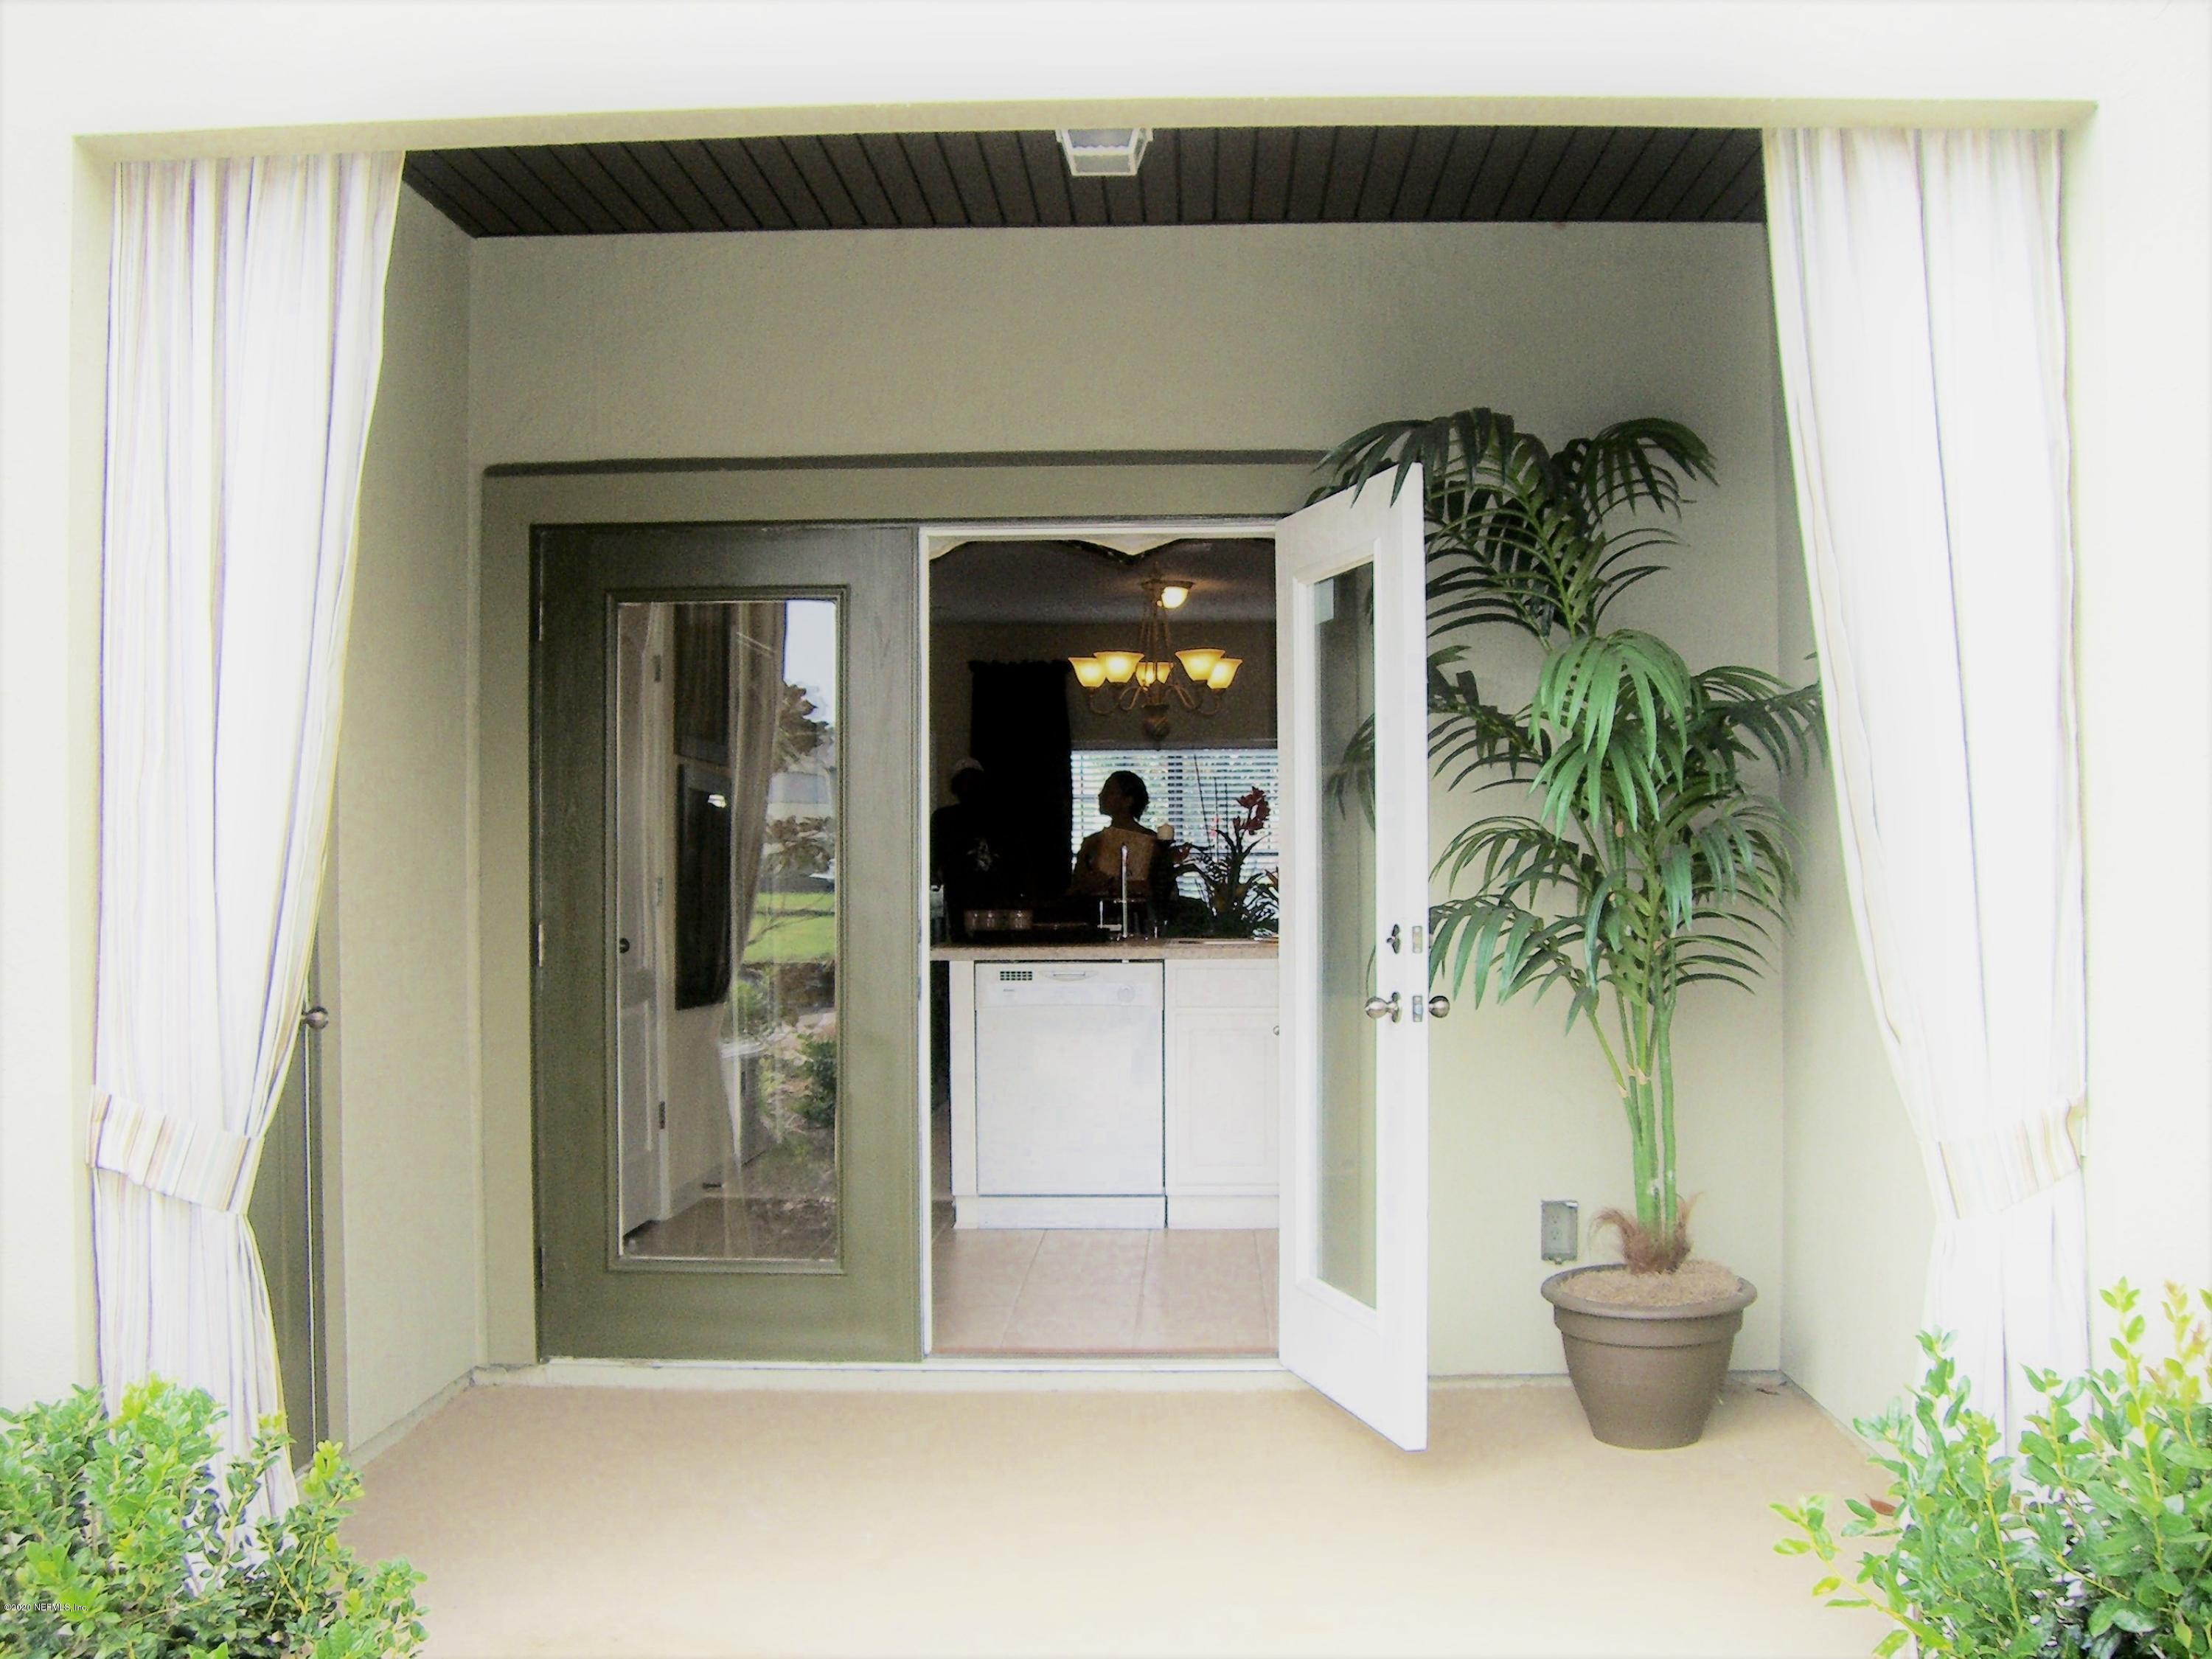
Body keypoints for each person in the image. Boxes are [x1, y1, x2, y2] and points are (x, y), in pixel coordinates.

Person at [930, 757, 1014, 942]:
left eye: (974, 780)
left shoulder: (1002, 818)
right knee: (963, 945)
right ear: (955, 787)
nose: (969, 786)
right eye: (964, 781)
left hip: (999, 902)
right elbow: (932, 862)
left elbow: (1017, 860)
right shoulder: (944, 819)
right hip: (959, 900)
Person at [1071, 770, 1169, 924]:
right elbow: (1076, 887)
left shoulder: (1152, 843)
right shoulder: (1092, 842)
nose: (1101, 796)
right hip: (1096, 918)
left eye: (1109, 791)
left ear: (1128, 800)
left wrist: (1111, 883)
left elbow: (1158, 889)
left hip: (1139, 920)